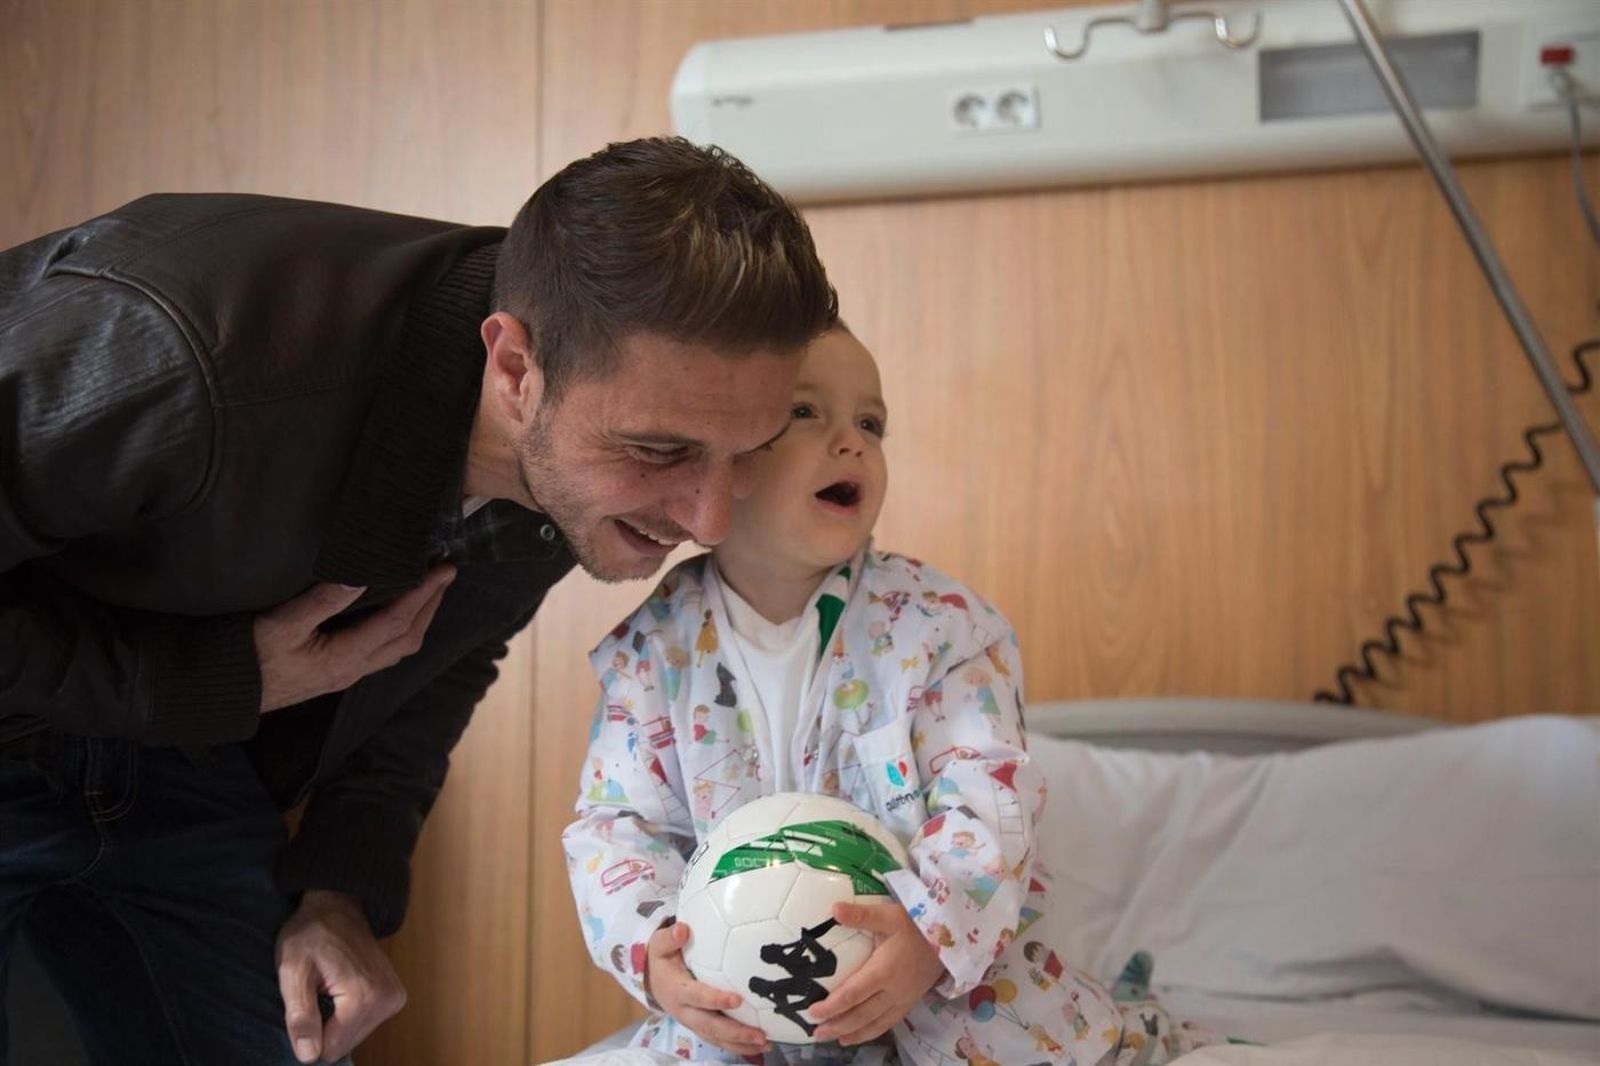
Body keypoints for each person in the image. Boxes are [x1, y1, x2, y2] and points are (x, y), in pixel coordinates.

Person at [0, 136, 837, 1065]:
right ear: (515, 368)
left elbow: (428, 660)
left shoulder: (569, 449)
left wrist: (339, 888)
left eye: (749, 449)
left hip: (187, 770)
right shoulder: (184, 354)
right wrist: (204, 679)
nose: (711, 521)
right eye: (659, 451)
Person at [564, 327, 1224, 1065]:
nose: (852, 442)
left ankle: (1126, 1019)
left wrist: (932, 933)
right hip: (742, 995)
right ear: (716, 450)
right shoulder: (653, 654)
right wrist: (654, 951)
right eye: (807, 413)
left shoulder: (940, 629)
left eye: (871, 423)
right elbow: (617, 830)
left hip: (935, 982)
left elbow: (988, 799)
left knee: (1017, 1042)